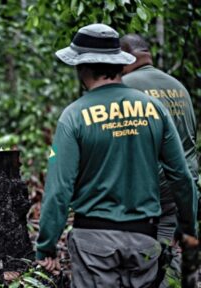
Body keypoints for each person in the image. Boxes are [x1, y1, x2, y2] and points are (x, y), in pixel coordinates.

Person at [35, 23, 198, 288]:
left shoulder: (74, 116)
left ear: (82, 67)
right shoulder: (153, 109)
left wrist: (46, 246)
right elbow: (180, 175)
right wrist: (188, 225)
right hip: (145, 240)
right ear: (118, 64)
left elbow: (59, 190)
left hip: (93, 245)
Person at [120, 34, 199, 287]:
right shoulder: (179, 87)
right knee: (168, 251)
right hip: (183, 187)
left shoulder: (124, 87)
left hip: (147, 189)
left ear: (124, 57)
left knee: (137, 260)